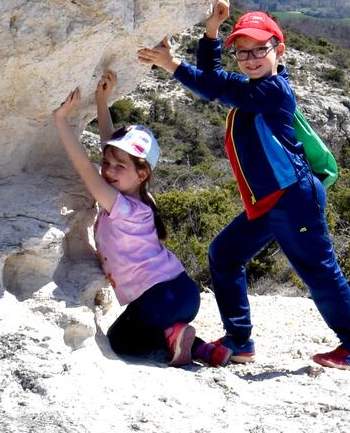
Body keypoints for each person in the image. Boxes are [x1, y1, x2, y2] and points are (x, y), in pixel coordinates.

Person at [138, 0, 350, 373]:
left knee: (317, 269)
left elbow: (215, 90)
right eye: (243, 52)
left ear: (279, 50)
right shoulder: (252, 86)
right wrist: (212, 31)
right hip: (270, 200)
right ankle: (239, 340)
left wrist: (173, 63)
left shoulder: (272, 91)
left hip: (294, 197)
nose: (250, 58)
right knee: (225, 255)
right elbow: (213, 81)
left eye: (260, 49)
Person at [50, 69, 229, 367]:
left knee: (121, 341)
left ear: (142, 172)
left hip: (159, 299)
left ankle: (175, 336)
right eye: (106, 164)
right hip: (182, 291)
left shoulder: (118, 205)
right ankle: (200, 348)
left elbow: (84, 167)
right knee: (157, 328)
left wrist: (61, 120)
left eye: (118, 167)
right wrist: (101, 100)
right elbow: (111, 147)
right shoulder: (142, 198)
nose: (108, 170)